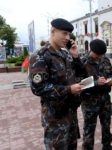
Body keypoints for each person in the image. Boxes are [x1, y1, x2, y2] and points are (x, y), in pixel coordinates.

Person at [29, 18, 84, 150]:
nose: (67, 37)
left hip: (70, 114)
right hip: (55, 118)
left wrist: (75, 56)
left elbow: (79, 73)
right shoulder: (40, 56)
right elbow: (38, 88)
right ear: (53, 31)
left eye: (69, 34)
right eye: (64, 33)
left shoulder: (64, 54)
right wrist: (68, 90)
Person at [81, 39, 112, 150]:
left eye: (102, 55)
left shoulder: (105, 60)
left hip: (105, 100)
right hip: (89, 102)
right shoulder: (82, 63)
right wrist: (96, 83)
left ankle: (107, 145)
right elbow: (78, 83)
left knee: (106, 125)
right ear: (90, 50)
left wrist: (111, 80)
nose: (99, 57)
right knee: (89, 128)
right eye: (97, 54)